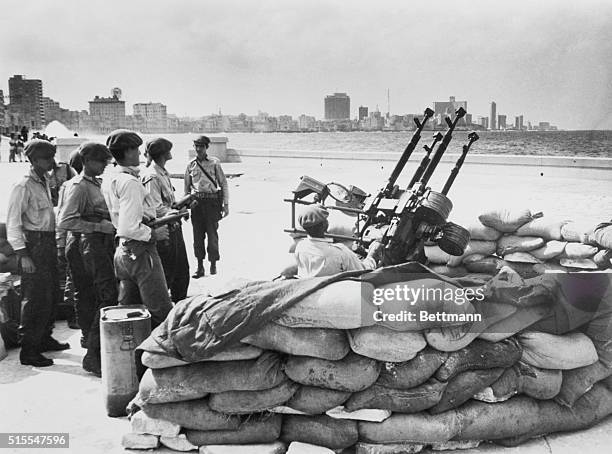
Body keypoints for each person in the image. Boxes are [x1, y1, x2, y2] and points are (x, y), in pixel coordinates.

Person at [6, 139, 70, 367]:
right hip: (34, 245)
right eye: (47, 158)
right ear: (33, 160)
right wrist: (23, 255)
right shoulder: (22, 185)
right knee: (34, 299)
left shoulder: (43, 180)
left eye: (52, 157)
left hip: (47, 242)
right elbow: (13, 223)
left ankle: (44, 338)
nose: (52, 162)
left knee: (51, 294)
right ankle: (29, 350)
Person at [101, 129, 173, 328]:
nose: (140, 155)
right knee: (161, 311)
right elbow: (129, 227)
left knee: (127, 312)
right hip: (140, 251)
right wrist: (153, 234)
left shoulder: (112, 179)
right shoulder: (130, 183)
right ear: (127, 152)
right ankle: (159, 356)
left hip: (123, 252)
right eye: (136, 150)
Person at [58, 142, 117, 376]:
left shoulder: (96, 184)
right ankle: (93, 353)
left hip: (93, 243)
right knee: (103, 294)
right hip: (86, 243)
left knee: (91, 295)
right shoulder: (79, 187)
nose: (104, 165)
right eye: (101, 161)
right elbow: (65, 221)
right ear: (87, 161)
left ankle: (91, 343)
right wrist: (98, 227)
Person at [142, 138, 190, 302]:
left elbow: (167, 203)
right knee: (169, 274)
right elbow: (155, 209)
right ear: (163, 153)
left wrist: (179, 207)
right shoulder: (153, 176)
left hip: (174, 227)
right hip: (165, 232)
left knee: (182, 273)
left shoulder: (162, 172)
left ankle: (179, 308)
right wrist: (175, 211)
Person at [292, 204, 383, 278]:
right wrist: (372, 254)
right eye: (325, 220)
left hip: (311, 285)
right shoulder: (339, 252)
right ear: (324, 225)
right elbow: (364, 271)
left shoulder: (300, 247)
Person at [184, 135, 229, 277]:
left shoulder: (215, 163)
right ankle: (199, 266)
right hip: (197, 203)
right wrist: (185, 207)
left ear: (206, 147)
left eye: (201, 146)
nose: (198, 149)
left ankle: (213, 264)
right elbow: (186, 188)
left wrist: (226, 204)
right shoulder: (191, 165)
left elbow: (224, 184)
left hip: (212, 203)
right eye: (196, 146)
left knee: (212, 235)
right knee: (197, 236)